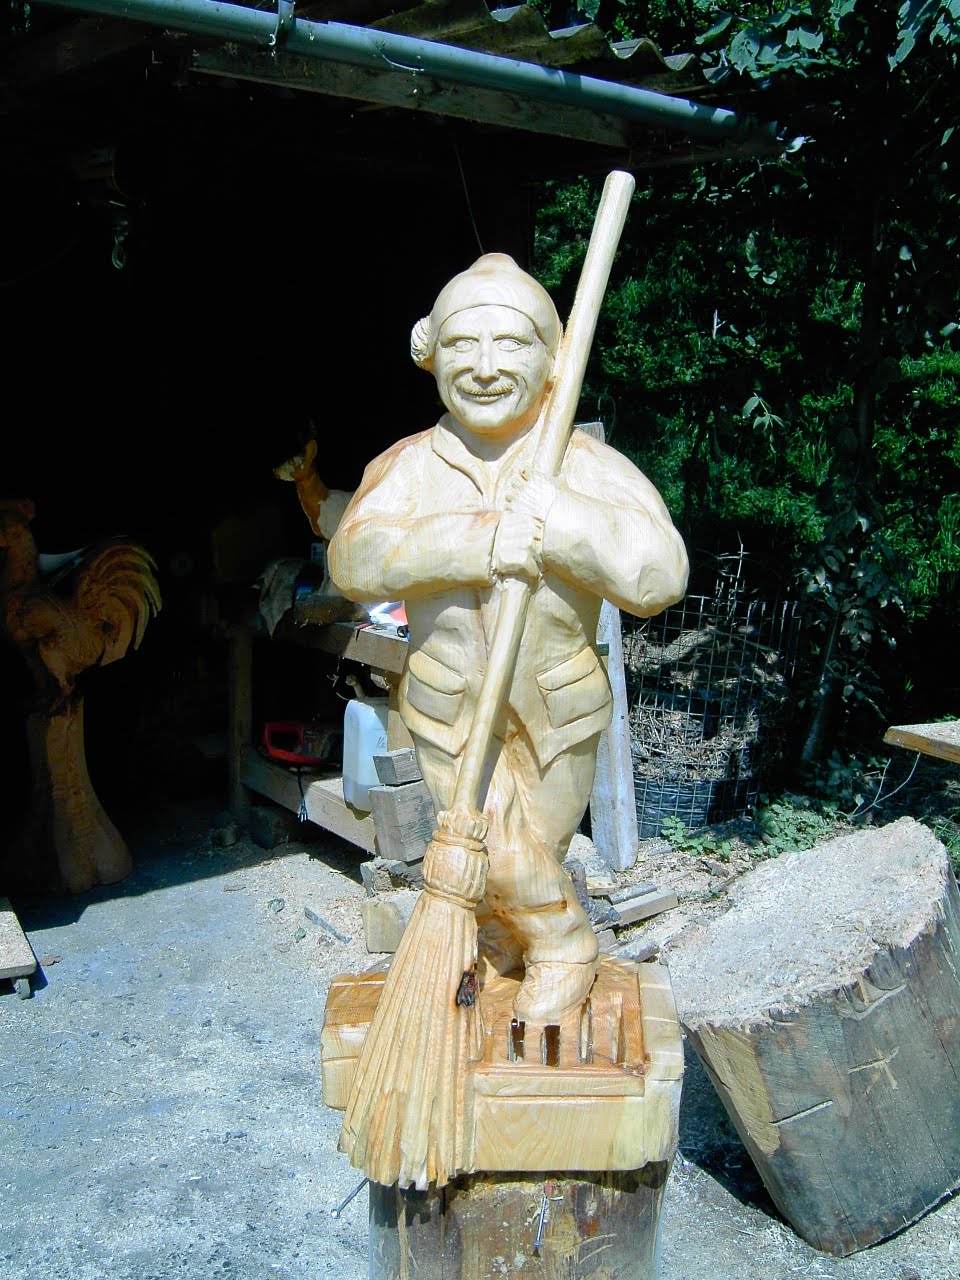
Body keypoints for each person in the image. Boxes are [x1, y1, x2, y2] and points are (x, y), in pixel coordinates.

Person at [328, 253, 687, 1024]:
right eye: (464, 344)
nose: (485, 368)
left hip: (557, 711)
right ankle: (563, 945)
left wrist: (561, 521)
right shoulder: (410, 466)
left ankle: (502, 948)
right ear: (430, 353)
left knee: (531, 852)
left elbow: (659, 573)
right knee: (489, 837)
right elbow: (353, 559)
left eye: (511, 344)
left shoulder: (581, 467)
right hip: (447, 703)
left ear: (554, 359)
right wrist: (480, 540)